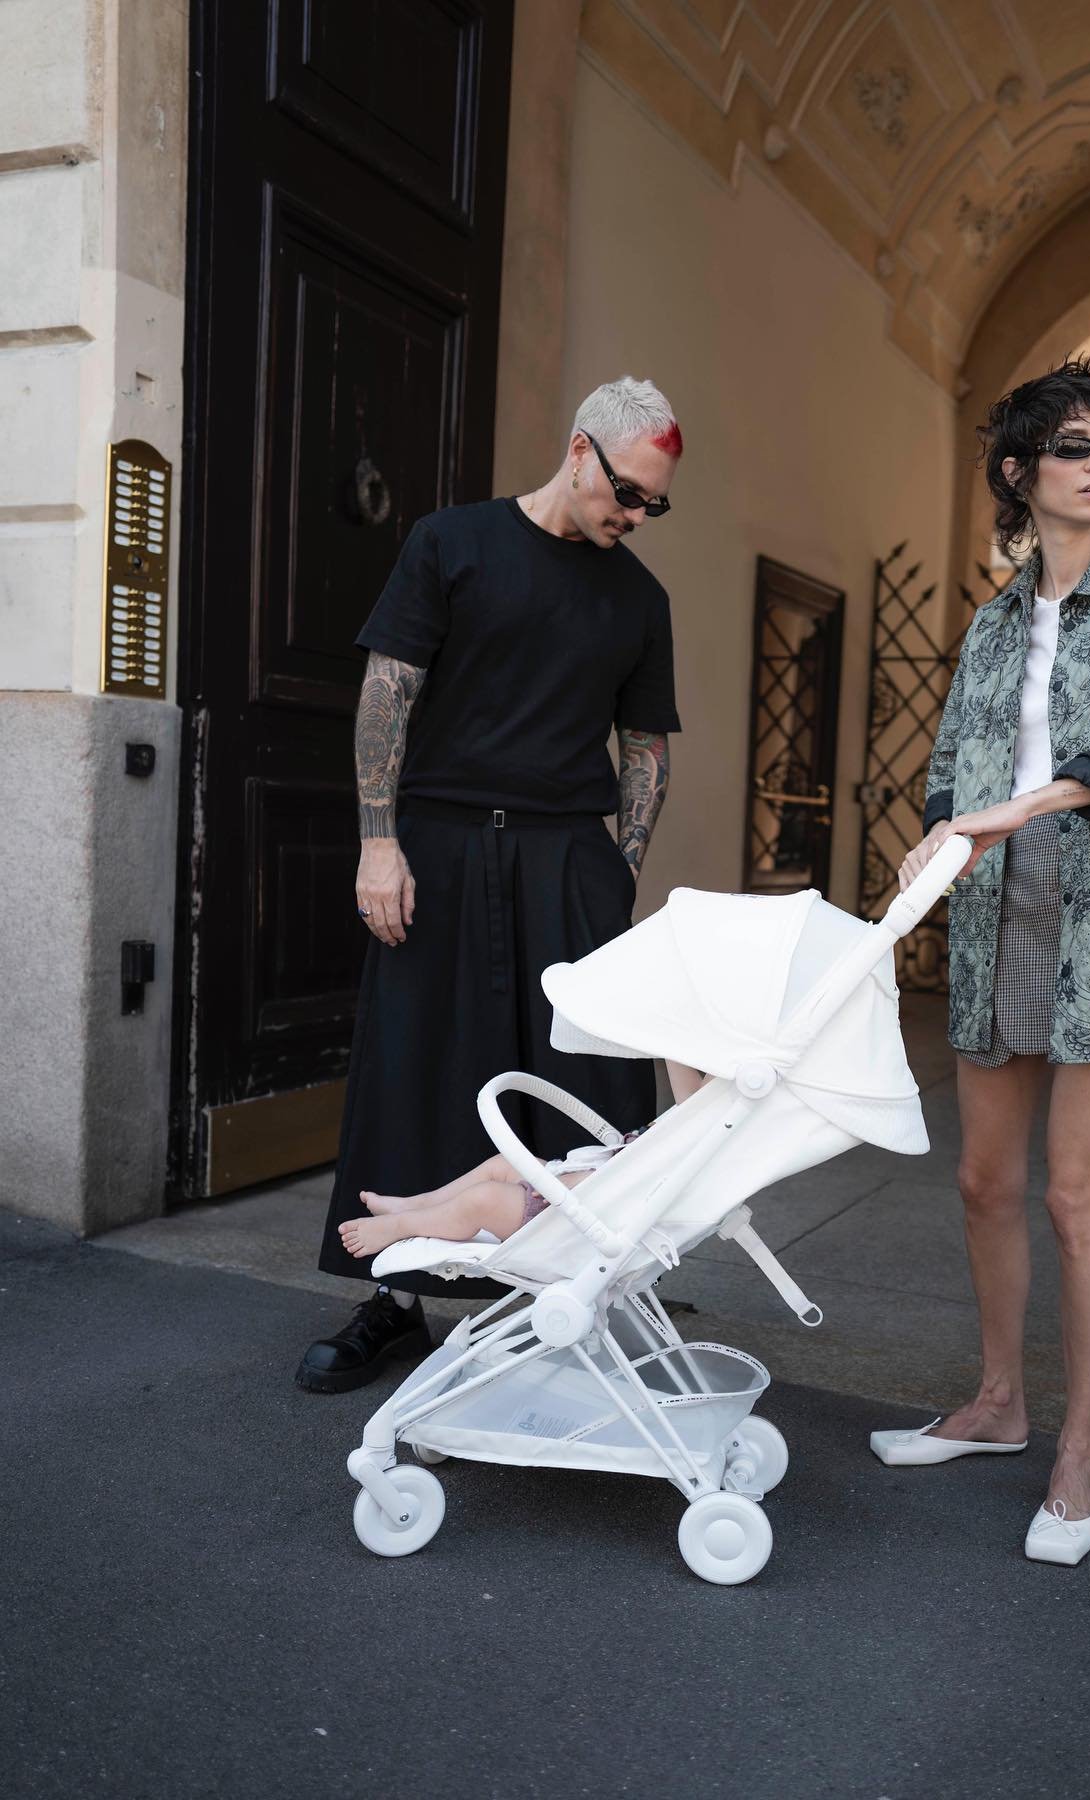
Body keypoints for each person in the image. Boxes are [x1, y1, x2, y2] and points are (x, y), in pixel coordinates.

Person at [869, 358, 1090, 1565]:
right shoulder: (989, 621)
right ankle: (996, 1404)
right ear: (1020, 472)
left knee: (1077, 1200)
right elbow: (952, 768)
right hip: (995, 917)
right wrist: (939, 846)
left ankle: (1078, 1454)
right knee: (983, 1183)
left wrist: (1015, 812)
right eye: (1075, 444)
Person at [295, 377, 684, 1394]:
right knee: (415, 1064)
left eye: (655, 504)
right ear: (579, 450)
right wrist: (380, 844)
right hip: (442, 843)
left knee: (583, 1085)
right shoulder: (450, 543)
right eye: (629, 493)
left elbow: (643, 747)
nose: (636, 516)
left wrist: (619, 878)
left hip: (567, 858)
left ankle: (572, 1299)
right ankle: (391, 1297)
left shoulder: (641, 598)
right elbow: (389, 693)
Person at [337, 1062, 707, 1260]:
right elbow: (692, 1100)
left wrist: (564, 1185)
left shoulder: (702, 1129)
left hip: (580, 1217)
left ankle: (403, 1226)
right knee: (501, 1165)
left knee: (481, 1200)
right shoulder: (710, 1113)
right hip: (583, 1190)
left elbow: (635, 1181)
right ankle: (416, 1204)